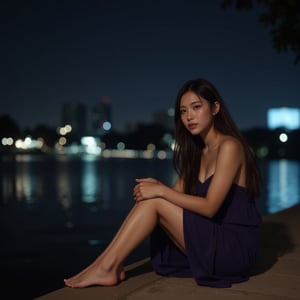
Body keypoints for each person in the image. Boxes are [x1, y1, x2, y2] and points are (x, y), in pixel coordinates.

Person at [64, 78, 261, 288]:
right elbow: (170, 202)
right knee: (154, 198)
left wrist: (160, 190)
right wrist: (154, 191)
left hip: (232, 249)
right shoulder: (196, 153)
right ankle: (106, 265)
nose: (189, 117)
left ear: (215, 108)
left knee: (157, 197)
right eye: (183, 111)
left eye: (196, 107)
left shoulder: (230, 146)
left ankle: (106, 267)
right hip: (210, 240)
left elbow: (210, 207)